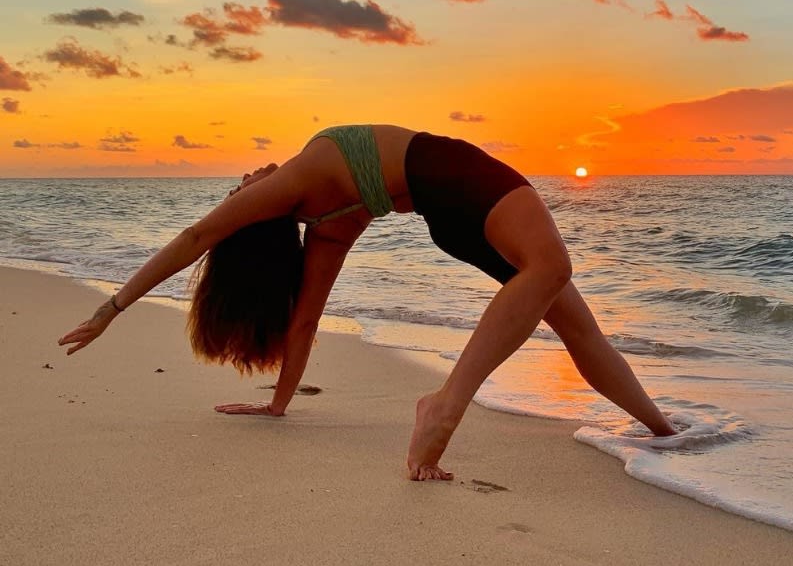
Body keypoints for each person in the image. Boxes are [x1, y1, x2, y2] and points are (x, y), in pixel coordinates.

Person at [58, 124, 676, 480]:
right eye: (241, 186)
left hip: (448, 216)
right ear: (254, 210)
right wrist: (111, 308)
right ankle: (445, 402)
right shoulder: (297, 181)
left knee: (575, 323)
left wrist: (277, 407)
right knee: (552, 269)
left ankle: (663, 430)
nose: (247, 177)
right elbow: (198, 237)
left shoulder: (328, 222)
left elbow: (303, 324)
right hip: (453, 177)